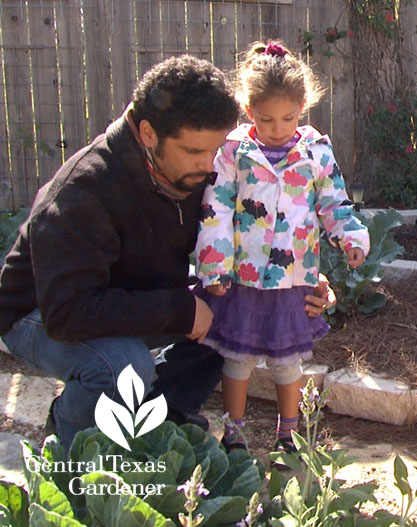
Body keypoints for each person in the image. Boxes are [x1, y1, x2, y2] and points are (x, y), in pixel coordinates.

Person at [0, 55, 336, 449]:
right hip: (41, 312)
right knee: (121, 366)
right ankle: (72, 439)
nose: (208, 164)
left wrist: (294, 278)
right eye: (193, 151)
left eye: (214, 150)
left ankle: (165, 414)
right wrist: (179, 310)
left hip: (125, 295)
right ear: (147, 133)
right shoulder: (82, 193)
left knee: (232, 316)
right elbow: (68, 313)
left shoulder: (192, 168)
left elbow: (243, 237)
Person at [194, 40, 369, 453]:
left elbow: (334, 202)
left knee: (287, 362)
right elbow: (215, 208)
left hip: (293, 277)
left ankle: (288, 434)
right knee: (236, 359)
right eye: (266, 118)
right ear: (248, 109)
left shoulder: (316, 151)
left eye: (288, 118)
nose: (277, 128)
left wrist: (350, 237)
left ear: (303, 107)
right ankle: (233, 432)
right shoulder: (233, 152)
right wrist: (214, 266)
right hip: (243, 279)